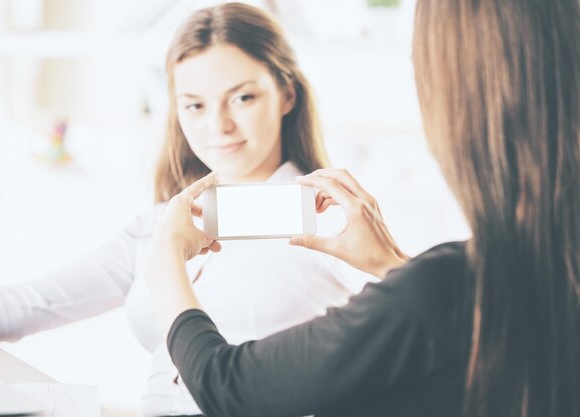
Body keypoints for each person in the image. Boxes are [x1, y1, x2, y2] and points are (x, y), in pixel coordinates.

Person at [146, 0, 580, 416]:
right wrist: (390, 264)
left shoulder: (444, 287)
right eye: (195, 104)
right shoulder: (544, 276)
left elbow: (225, 387)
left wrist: (167, 255)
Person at [0, 4, 374, 416]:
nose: (218, 125)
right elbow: (29, 303)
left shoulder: (336, 225)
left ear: (286, 94)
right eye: (195, 105)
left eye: (242, 98)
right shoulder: (162, 226)